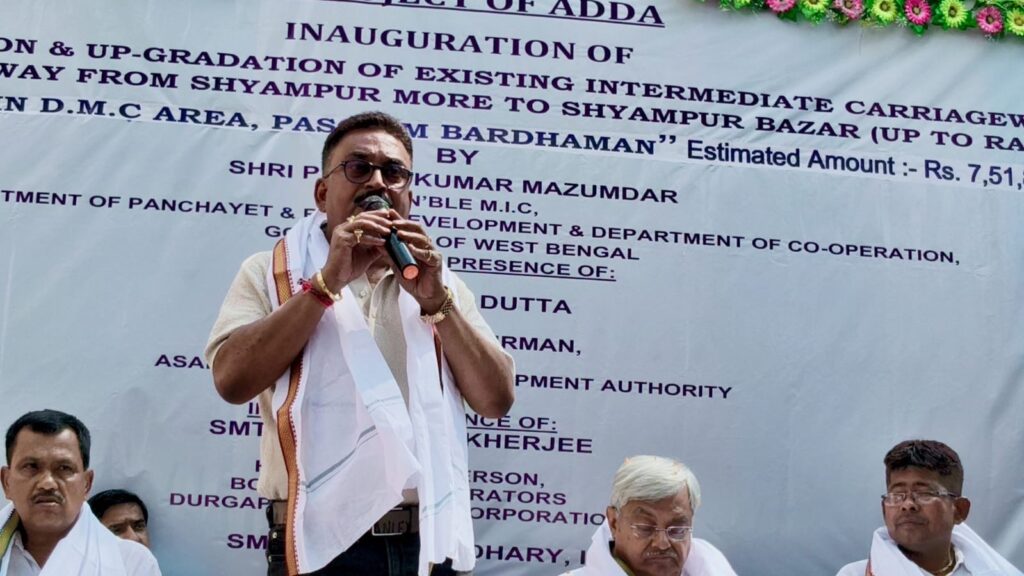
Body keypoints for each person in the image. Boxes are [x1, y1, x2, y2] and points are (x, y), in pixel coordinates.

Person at [206, 110, 515, 576]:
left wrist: (437, 302)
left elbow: (495, 400)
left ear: (408, 195)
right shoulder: (273, 272)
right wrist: (325, 284)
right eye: (358, 168)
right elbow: (232, 381)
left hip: (422, 546)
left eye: (393, 172)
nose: (377, 182)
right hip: (315, 544)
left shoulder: (438, 282)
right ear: (322, 192)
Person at [0, 409, 160, 576]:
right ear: (6, 482)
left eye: (64, 468)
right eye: (31, 466)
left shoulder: (132, 563)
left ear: (86, 484)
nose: (47, 484)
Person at [836, 439, 1023, 576]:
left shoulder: (994, 572)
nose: (907, 505)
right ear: (884, 509)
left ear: (959, 510)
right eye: (897, 495)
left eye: (924, 494)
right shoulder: (856, 574)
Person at [564, 455, 736, 576]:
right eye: (645, 528)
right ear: (614, 523)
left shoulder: (714, 570)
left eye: (677, 530)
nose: (662, 543)